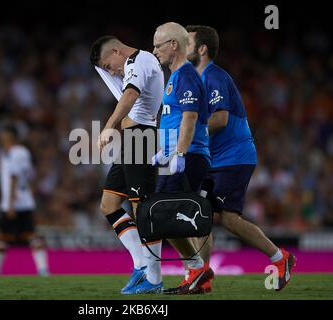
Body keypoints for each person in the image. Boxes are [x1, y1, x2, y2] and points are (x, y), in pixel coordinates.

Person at [178, 25, 296, 292]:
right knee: (202, 216)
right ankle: (201, 279)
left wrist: (188, 139)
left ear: (202, 49)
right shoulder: (194, 79)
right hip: (213, 158)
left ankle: (281, 258)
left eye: (188, 42)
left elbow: (220, 119)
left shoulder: (214, 76)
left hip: (234, 157)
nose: (183, 47)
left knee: (228, 218)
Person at [90, 36, 165, 294]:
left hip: (142, 138)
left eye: (109, 65)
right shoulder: (135, 62)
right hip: (134, 141)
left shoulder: (139, 60)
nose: (112, 71)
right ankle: (141, 264)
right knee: (109, 205)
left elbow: (131, 93)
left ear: (116, 50)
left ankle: (154, 279)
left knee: (141, 209)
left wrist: (109, 126)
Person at [150, 22, 214, 294]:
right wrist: (164, 151)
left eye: (157, 45)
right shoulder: (175, 77)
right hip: (174, 156)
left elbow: (190, 117)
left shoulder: (186, 74)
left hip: (187, 157)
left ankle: (197, 269)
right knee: (166, 217)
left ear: (173, 45)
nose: (154, 51)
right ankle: (198, 272)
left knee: (165, 216)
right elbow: (175, 118)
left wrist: (178, 153)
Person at [0, 123, 49, 276]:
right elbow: (30, 175)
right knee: (16, 237)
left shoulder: (14, 153)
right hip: (21, 200)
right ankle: (42, 269)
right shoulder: (17, 152)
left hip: (15, 202)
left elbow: (14, 176)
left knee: (16, 237)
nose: (0, 137)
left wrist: (11, 203)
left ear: (9, 136)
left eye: (3, 134)